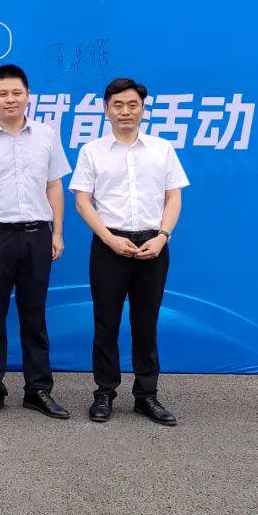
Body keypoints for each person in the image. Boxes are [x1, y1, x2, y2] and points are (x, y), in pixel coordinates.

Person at [70, 77, 188, 426]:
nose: (125, 111)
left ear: (143, 109)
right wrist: (109, 238)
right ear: (106, 109)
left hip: (153, 245)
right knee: (105, 323)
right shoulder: (92, 151)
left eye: (132, 104)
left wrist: (163, 236)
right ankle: (104, 393)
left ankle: (146, 395)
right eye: (118, 105)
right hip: (109, 246)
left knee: (146, 323)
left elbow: (174, 197)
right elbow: (82, 200)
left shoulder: (161, 149)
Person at [0, 64, 72, 420]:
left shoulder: (47, 136)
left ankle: (38, 389)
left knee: (34, 317)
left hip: (37, 235)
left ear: (28, 96)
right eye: (3, 94)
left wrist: (57, 232)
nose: (10, 99)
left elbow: (55, 186)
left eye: (16, 93)